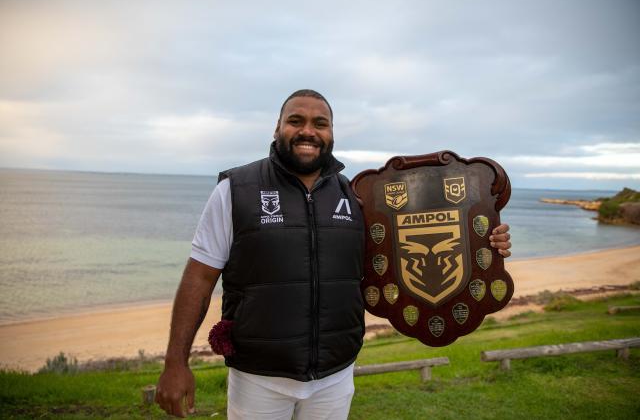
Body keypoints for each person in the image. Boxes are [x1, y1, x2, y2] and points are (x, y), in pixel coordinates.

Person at [155, 89, 512, 419]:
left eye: (320, 123)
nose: (308, 131)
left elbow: (402, 250)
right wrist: (176, 362)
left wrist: (485, 243)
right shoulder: (235, 190)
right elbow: (199, 278)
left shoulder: (359, 199)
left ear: (331, 133)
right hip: (258, 377)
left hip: (334, 376)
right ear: (278, 127)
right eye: (296, 120)